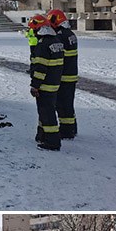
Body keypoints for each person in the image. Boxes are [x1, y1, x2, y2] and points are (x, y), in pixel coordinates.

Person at [28, 14, 64, 151]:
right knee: (45, 112)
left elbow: (40, 68)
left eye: (34, 30)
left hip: (45, 85)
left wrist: (35, 86)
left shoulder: (42, 45)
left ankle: (52, 142)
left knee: (47, 113)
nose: (33, 33)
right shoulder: (56, 41)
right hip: (55, 83)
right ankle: (42, 135)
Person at [48, 9, 78, 138]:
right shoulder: (70, 34)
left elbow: (58, 56)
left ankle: (66, 131)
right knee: (68, 104)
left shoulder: (60, 36)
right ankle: (72, 127)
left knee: (62, 104)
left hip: (64, 76)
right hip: (71, 74)